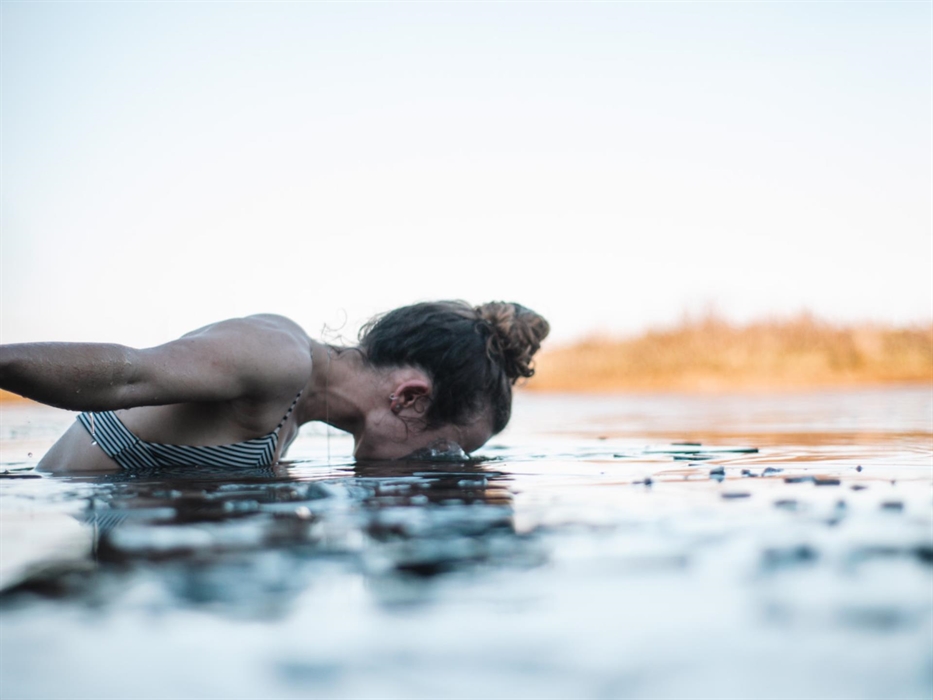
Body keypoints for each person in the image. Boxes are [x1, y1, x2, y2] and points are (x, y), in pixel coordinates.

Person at [0, 301, 549, 473]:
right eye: (445, 451)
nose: (436, 468)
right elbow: (125, 372)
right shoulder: (278, 356)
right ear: (410, 397)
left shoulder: (290, 427)